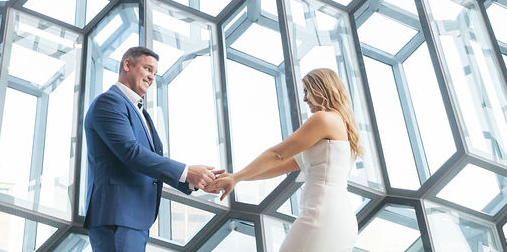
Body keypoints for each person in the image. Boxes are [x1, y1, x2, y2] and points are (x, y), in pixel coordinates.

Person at [208, 68, 361, 252]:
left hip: (321, 217)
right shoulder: (343, 126)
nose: (305, 99)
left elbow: (277, 154)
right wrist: (237, 178)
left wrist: (236, 177)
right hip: (341, 220)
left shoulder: (323, 119)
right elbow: (282, 165)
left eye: (307, 90)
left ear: (322, 88)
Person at [83, 46, 220, 252]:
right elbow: (131, 153)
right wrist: (187, 171)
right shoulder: (109, 102)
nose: (151, 77)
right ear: (127, 65)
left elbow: (150, 162)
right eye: (147, 69)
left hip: (134, 218)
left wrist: (195, 181)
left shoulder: (141, 112)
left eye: (154, 73)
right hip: (117, 216)